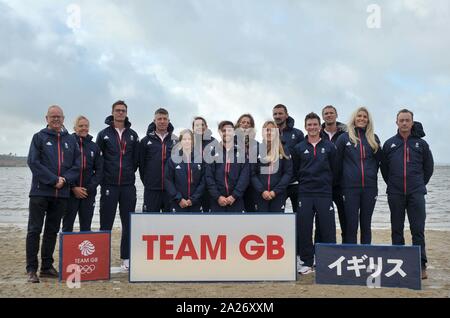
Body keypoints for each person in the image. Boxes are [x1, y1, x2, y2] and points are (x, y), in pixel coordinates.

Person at [26, 105, 80, 283]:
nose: (56, 119)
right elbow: (33, 162)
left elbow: (77, 166)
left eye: (59, 116)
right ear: (46, 118)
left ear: (64, 119)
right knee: (34, 230)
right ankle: (31, 269)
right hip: (40, 193)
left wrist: (64, 179)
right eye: (53, 116)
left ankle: (47, 267)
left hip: (61, 194)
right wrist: (53, 179)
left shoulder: (70, 140)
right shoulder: (39, 137)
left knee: (52, 231)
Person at [381, 109, 434, 280]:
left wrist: (418, 184)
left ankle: (421, 265)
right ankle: (399, 263)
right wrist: (394, 184)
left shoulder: (421, 144)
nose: (404, 123)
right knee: (397, 229)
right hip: (395, 193)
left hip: (416, 193)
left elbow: (428, 168)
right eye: (401, 120)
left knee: (417, 230)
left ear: (412, 122)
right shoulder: (389, 144)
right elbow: (384, 170)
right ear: (396, 122)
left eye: (407, 120)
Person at [96, 100, 139, 271]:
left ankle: (126, 259)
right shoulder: (103, 134)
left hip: (128, 185)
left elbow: (136, 160)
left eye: (123, 110)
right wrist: (104, 178)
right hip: (109, 185)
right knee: (105, 223)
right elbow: (98, 160)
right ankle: (102, 259)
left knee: (128, 223)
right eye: (117, 110)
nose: (120, 113)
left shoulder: (133, 135)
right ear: (112, 112)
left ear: (126, 113)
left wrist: (128, 173)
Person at [292, 113, 337, 275]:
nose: (312, 127)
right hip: (305, 193)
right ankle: (307, 261)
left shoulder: (330, 147)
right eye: (309, 125)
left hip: (324, 193)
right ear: (305, 127)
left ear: (320, 126)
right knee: (304, 228)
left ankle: (328, 260)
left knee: (327, 228)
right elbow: (296, 170)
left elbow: (335, 169)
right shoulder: (299, 148)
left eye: (315, 124)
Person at [335, 107, 382, 245]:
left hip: (369, 188)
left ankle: (365, 255)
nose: (361, 118)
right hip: (349, 189)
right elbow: (337, 164)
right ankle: (351, 256)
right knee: (351, 225)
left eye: (364, 117)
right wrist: (338, 185)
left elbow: (381, 162)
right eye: (359, 116)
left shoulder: (374, 138)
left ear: (368, 120)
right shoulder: (344, 138)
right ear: (354, 119)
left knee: (366, 225)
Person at [62, 116, 103, 233]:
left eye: (86, 126)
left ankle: (84, 251)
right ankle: (67, 251)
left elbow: (99, 171)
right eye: (81, 126)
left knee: (86, 227)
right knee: (67, 225)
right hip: (69, 192)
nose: (84, 128)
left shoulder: (94, 147)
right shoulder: (67, 143)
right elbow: (64, 168)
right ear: (75, 128)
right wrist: (73, 187)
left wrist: (88, 188)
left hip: (87, 193)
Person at [205, 121, 250, 212]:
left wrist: (234, 196)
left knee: (236, 226)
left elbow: (244, 176)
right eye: (223, 131)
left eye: (229, 130)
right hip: (217, 201)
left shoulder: (241, 152)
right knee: (217, 226)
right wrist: (218, 196)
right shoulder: (212, 152)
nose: (226, 133)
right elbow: (209, 176)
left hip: (236, 200)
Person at [139, 108, 177, 213]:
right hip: (151, 189)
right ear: (154, 121)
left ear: (169, 121)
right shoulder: (145, 141)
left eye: (165, 119)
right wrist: (147, 181)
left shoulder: (176, 141)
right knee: (149, 223)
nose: (162, 121)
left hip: (170, 190)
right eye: (159, 119)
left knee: (169, 224)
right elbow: (141, 165)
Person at [319, 105, 347, 243]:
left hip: (341, 184)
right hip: (323, 184)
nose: (329, 115)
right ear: (323, 117)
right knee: (321, 220)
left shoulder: (346, 134)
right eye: (326, 113)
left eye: (331, 113)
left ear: (336, 115)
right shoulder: (317, 134)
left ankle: (346, 248)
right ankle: (322, 249)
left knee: (345, 219)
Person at [252, 121, 293, 212]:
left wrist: (275, 191)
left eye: (272, 130)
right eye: (267, 130)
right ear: (263, 132)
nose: (269, 132)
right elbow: (252, 173)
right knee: (261, 224)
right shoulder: (256, 150)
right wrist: (262, 191)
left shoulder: (284, 150)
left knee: (276, 224)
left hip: (278, 195)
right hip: (260, 195)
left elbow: (288, 173)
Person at [273, 104, 304, 212]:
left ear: (286, 115)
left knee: (300, 215)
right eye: (275, 114)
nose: (277, 116)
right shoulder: (270, 133)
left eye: (280, 113)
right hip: (278, 183)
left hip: (295, 183)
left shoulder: (298, 134)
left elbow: (303, 158)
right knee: (277, 215)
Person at [165, 129, 206, 212]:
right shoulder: (173, 160)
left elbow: (204, 180)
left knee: (195, 225)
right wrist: (179, 199)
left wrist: (194, 199)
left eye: (189, 139)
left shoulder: (200, 159)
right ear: (180, 141)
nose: (187, 141)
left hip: (196, 203)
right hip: (178, 203)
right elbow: (168, 180)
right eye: (184, 139)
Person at [192, 116, 217, 212]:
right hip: (194, 187)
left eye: (202, 125)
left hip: (210, 188)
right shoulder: (188, 142)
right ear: (193, 128)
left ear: (206, 127)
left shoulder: (214, 142)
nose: (200, 127)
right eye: (197, 125)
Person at [235, 114, 258, 212]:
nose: (245, 124)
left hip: (252, 186)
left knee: (251, 215)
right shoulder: (229, 142)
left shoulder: (257, 145)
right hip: (235, 185)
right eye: (243, 122)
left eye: (248, 123)